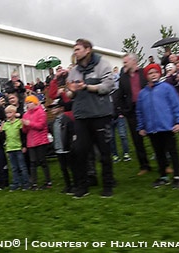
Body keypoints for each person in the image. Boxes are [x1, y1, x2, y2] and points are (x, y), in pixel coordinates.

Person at [66, 38, 115, 198]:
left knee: (104, 152)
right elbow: (70, 94)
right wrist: (70, 91)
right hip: (81, 115)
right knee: (80, 151)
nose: (75, 52)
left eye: (78, 49)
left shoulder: (103, 65)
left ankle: (108, 185)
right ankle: (82, 186)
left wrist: (87, 86)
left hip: (100, 114)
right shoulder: (74, 71)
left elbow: (108, 86)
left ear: (88, 50)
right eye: (74, 50)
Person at [136, 64, 179, 189]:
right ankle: (163, 175)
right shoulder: (142, 94)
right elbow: (140, 111)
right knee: (159, 153)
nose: (153, 75)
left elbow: (176, 105)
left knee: (172, 152)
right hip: (152, 129)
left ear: (160, 74)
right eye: (150, 73)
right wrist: (141, 126)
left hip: (168, 127)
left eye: (155, 72)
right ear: (146, 76)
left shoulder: (167, 88)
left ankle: (177, 176)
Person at [115, 53, 152, 175]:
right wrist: (122, 111)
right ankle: (144, 166)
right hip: (132, 111)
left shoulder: (144, 73)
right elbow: (119, 95)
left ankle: (165, 164)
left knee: (155, 137)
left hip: (148, 108)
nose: (123, 65)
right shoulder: (123, 78)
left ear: (133, 61)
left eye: (125, 62)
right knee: (137, 140)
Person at [22, 95, 51, 190]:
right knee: (33, 162)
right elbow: (25, 131)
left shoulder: (41, 112)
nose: (28, 105)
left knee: (43, 161)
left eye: (30, 102)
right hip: (31, 142)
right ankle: (33, 183)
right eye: (26, 103)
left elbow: (41, 126)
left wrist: (29, 124)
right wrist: (24, 126)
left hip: (41, 140)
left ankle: (48, 181)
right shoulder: (26, 115)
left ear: (35, 103)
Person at [48, 99, 76, 194]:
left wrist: (71, 146)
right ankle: (68, 185)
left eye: (55, 108)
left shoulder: (67, 120)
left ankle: (75, 185)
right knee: (63, 169)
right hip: (58, 148)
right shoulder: (54, 122)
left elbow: (72, 134)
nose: (52, 110)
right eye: (52, 108)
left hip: (67, 148)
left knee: (71, 168)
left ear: (61, 108)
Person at [2, 105, 29, 191]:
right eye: (7, 113)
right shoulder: (5, 124)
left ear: (14, 113)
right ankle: (16, 183)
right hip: (10, 148)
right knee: (14, 168)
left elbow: (23, 135)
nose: (8, 114)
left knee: (22, 166)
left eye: (10, 112)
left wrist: (24, 145)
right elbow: (4, 136)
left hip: (18, 147)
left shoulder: (19, 122)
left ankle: (26, 183)